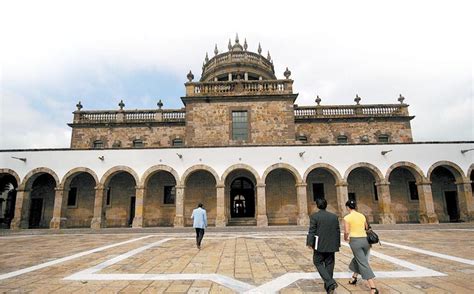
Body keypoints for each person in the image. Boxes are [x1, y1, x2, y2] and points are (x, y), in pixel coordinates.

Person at [343, 199, 378, 294]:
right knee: (359, 259)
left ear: (347, 207)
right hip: (365, 241)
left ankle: (373, 287)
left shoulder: (347, 218)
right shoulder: (362, 216)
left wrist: (345, 238)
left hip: (355, 241)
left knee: (363, 263)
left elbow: (346, 231)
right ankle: (354, 277)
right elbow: (366, 227)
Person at [306, 198, 340, 294]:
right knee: (330, 263)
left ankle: (330, 282)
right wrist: (337, 244)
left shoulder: (314, 216)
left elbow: (312, 230)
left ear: (317, 206)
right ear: (326, 205)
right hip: (331, 244)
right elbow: (337, 231)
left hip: (319, 244)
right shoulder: (334, 216)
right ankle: (329, 288)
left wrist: (310, 243)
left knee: (317, 262)